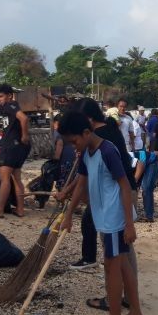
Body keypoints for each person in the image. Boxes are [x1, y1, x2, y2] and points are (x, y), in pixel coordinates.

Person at [57, 111, 145, 315]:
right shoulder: (87, 153)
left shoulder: (107, 151)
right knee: (123, 266)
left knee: (111, 267)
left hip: (114, 218)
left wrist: (129, 224)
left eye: (75, 141)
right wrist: (68, 215)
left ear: (87, 132)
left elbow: (125, 186)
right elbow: (81, 183)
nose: (74, 146)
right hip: (104, 217)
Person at [60, 98, 137, 270]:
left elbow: (119, 182)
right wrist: (68, 194)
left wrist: (129, 224)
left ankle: (125, 295)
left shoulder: (102, 140)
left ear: (88, 119)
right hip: (109, 196)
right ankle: (119, 294)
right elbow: (83, 176)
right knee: (116, 255)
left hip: (116, 197)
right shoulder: (97, 137)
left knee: (121, 255)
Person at [0, 83, 31, 218]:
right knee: (16, 178)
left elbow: (24, 119)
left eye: (1, 96)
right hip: (19, 147)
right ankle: (20, 209)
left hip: (11, 146)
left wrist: (25, 135)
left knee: (4, 178)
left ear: (9, 96)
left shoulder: (10, 105)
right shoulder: (10, 107)